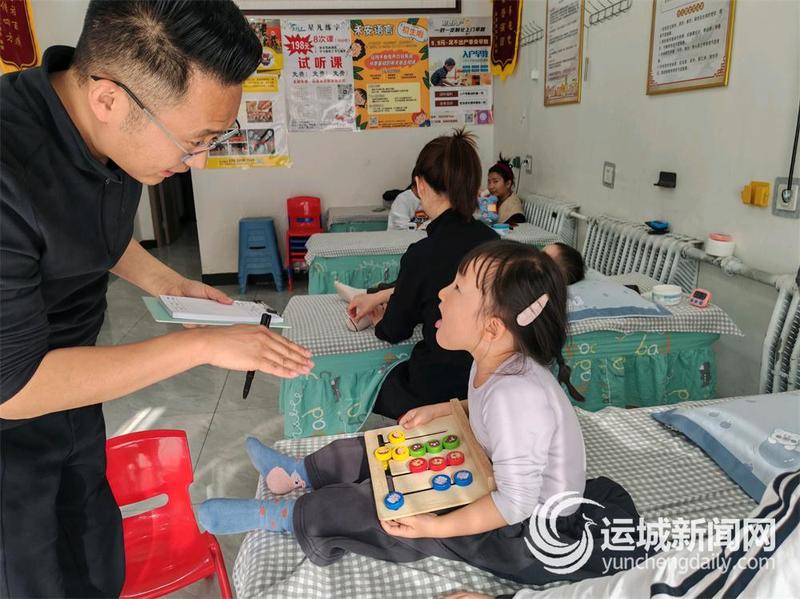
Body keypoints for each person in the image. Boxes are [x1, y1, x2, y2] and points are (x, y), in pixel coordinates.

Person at [0, 2, 312, 597]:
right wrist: (201, 348)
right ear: (109, 99)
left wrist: (171, 285)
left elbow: (86, 230)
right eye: (194, 141)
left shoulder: (104, 133)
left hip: (74, 399)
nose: (198, 162)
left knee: (96, 559)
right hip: (11, 431)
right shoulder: (8, 170)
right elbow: (13, 388)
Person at [197, 242, 645, 585]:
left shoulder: (516, 393)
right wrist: (444, 409)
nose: (441, 294)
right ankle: (298, 473)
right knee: (383, 447)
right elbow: (484, 409)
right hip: (489, 473)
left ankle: (282, 516)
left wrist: (435, 525)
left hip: (522, 534)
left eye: (457, 289)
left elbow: (515, 503)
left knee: (383, 509)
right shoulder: (497, 362)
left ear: (492, 327)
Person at [347, 130, 498, 418]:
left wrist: (380, 320)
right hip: (487, 382)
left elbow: (395, 330)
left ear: (420, 185)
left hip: (439, 387)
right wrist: (384, 294)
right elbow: (440, 283)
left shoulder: (423, 253)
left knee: (371, 385)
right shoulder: (493, 242)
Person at [487, 155, 525, 225]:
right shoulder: (494, 199)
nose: (491, 186)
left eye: (495, 181)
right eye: (489, 182)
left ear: (508, 184)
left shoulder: (515, 214)